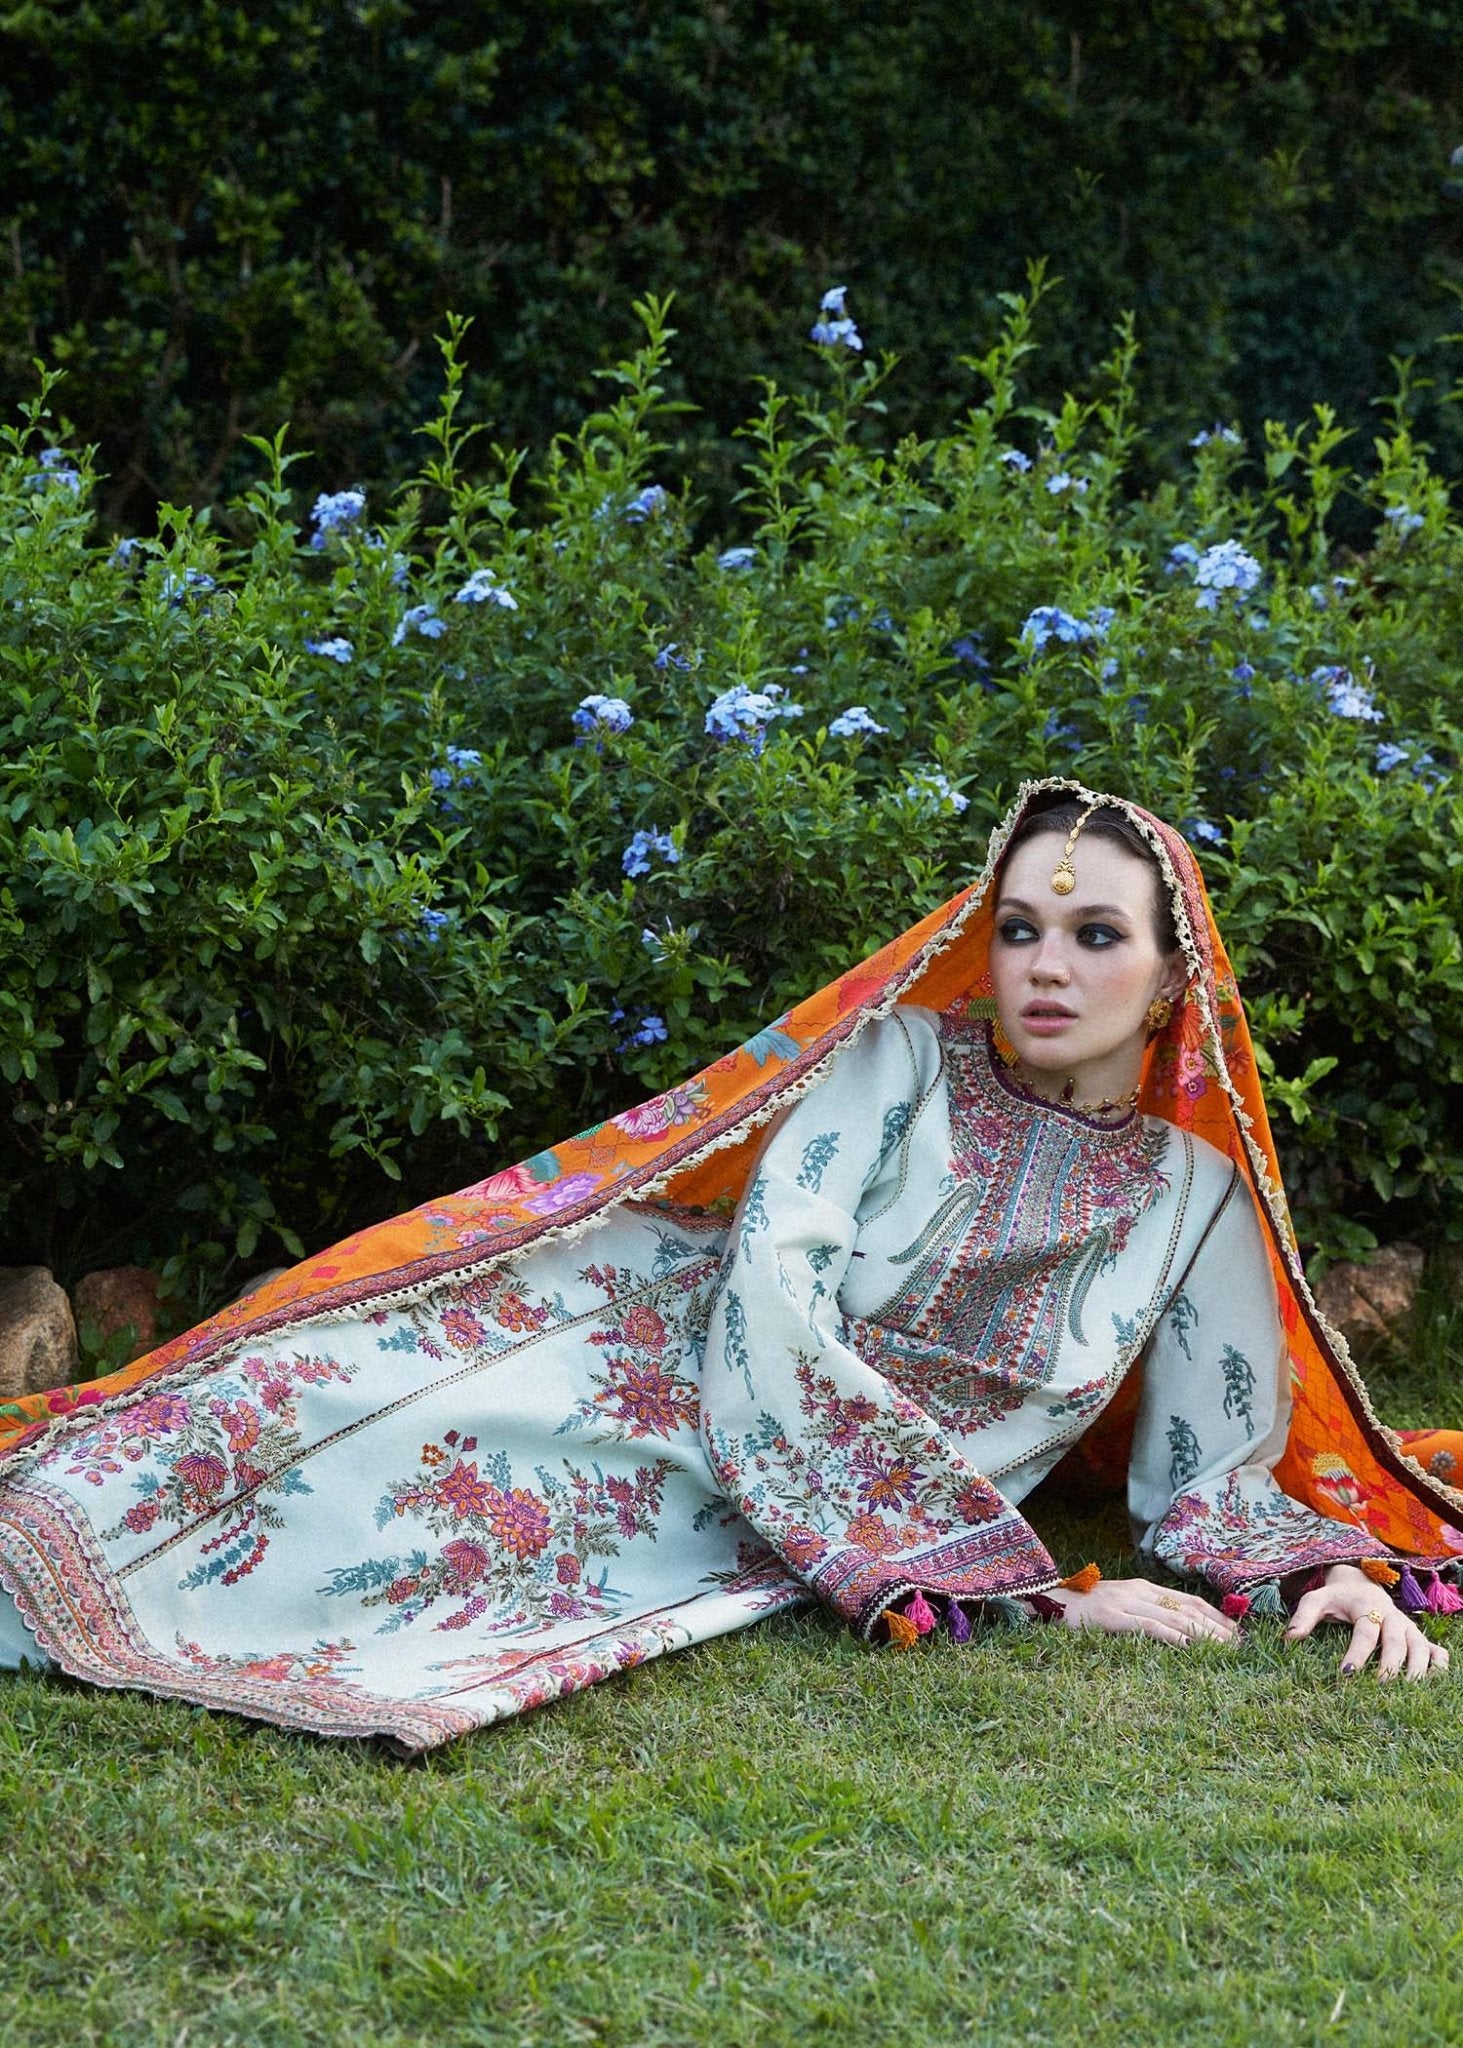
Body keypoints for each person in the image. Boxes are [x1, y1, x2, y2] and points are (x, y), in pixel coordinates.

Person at [0, 781, 1457, 1751]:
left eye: (1094, 934)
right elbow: (777, 1275)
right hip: (649, 1334)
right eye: (1019, 928)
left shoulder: (1196, 1198)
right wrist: (1042, 1592)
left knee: (433, 1537)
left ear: (1172, 977)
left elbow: (1209, 1468)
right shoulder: (901, 1058)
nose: (1046, 966)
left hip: (808, 1497)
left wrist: (1325, 1572)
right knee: (291, 1398)